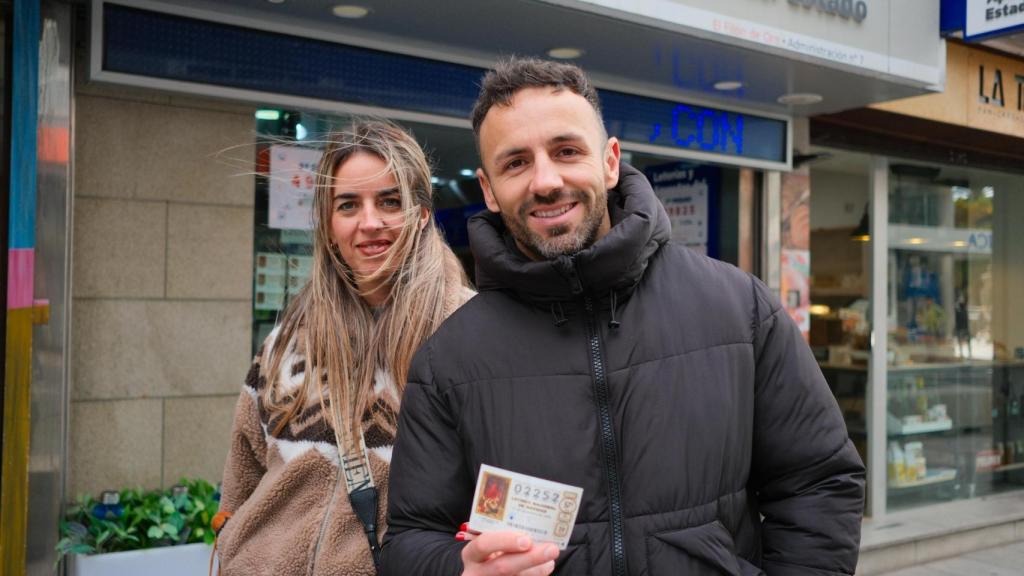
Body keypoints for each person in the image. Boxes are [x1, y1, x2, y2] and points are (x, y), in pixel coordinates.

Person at [382, 59, 865, 576]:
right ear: (489, 190)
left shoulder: (739, 310)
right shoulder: (449, 358)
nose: (545, 181)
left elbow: (819, 485)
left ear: (610, 161)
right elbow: (410, 541)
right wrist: (460, 569)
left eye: (567, 151)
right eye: (515, 163)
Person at [214, 120, 474, 575]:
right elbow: (242, 477)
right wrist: (233, 541)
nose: (369, 222)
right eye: (348, 204)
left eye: (389, 201)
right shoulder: (286, 341)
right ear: (328, 224)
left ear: (422, 213)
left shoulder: (471, 337)